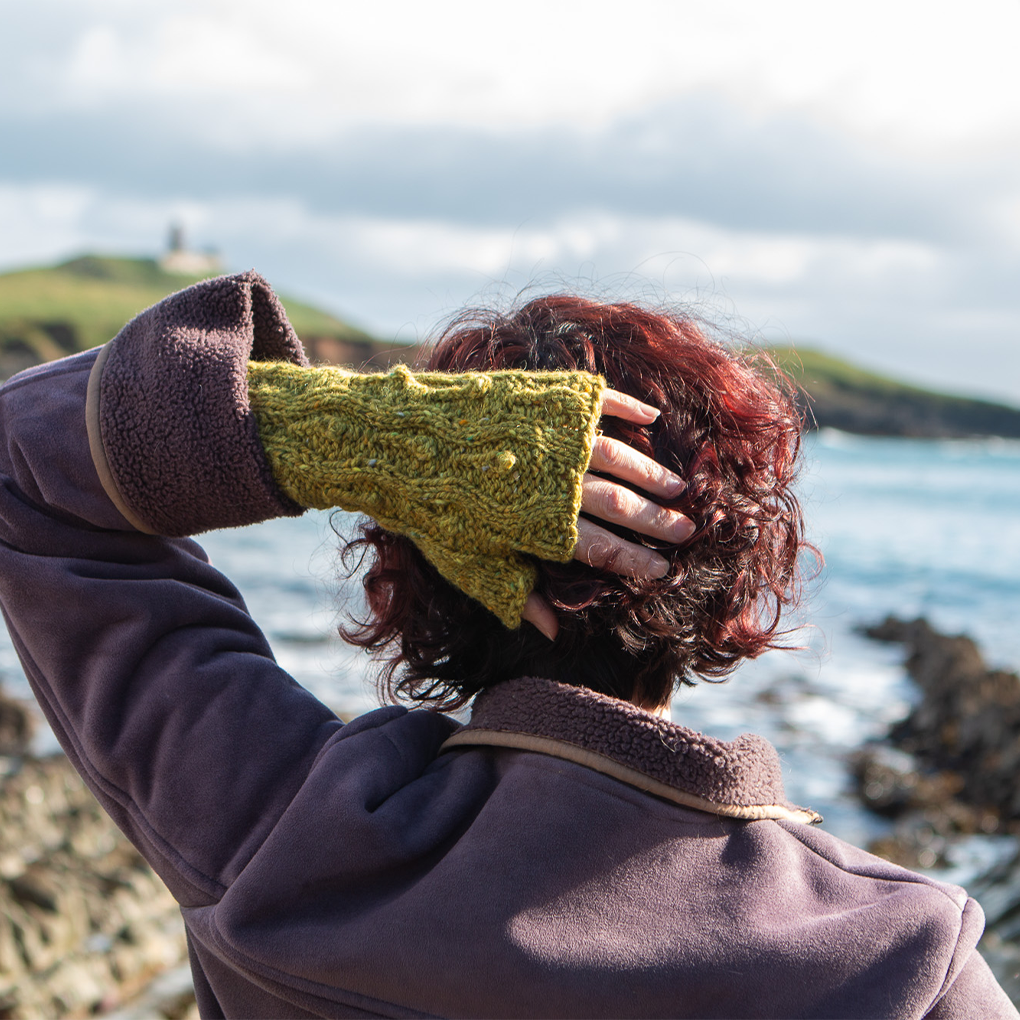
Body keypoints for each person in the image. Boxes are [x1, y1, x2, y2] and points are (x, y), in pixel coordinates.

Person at [0, 271, 1014, 1019]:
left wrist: (360, 435)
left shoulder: (277, 841)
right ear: (725, 567)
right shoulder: (901, 963)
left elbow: (24, 464)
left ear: (411, 546)